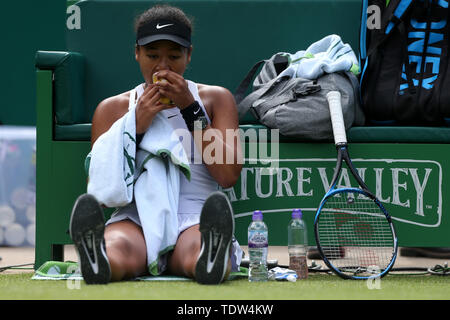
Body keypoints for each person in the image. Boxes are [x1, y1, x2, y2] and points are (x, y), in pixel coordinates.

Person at [69, 4, 243, 285]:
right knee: (118, 246)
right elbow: (100, 191)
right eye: (152, 55)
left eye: (174, 56)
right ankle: (99, 257)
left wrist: (190, 109)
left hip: (196, 217)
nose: (163, 66)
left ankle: (210, 256)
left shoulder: (214, 100)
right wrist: (135, 126)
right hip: (136, 216)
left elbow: (228, 174)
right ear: (136, 53)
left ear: (189, 56)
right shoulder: (112, 109)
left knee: (195, 249)